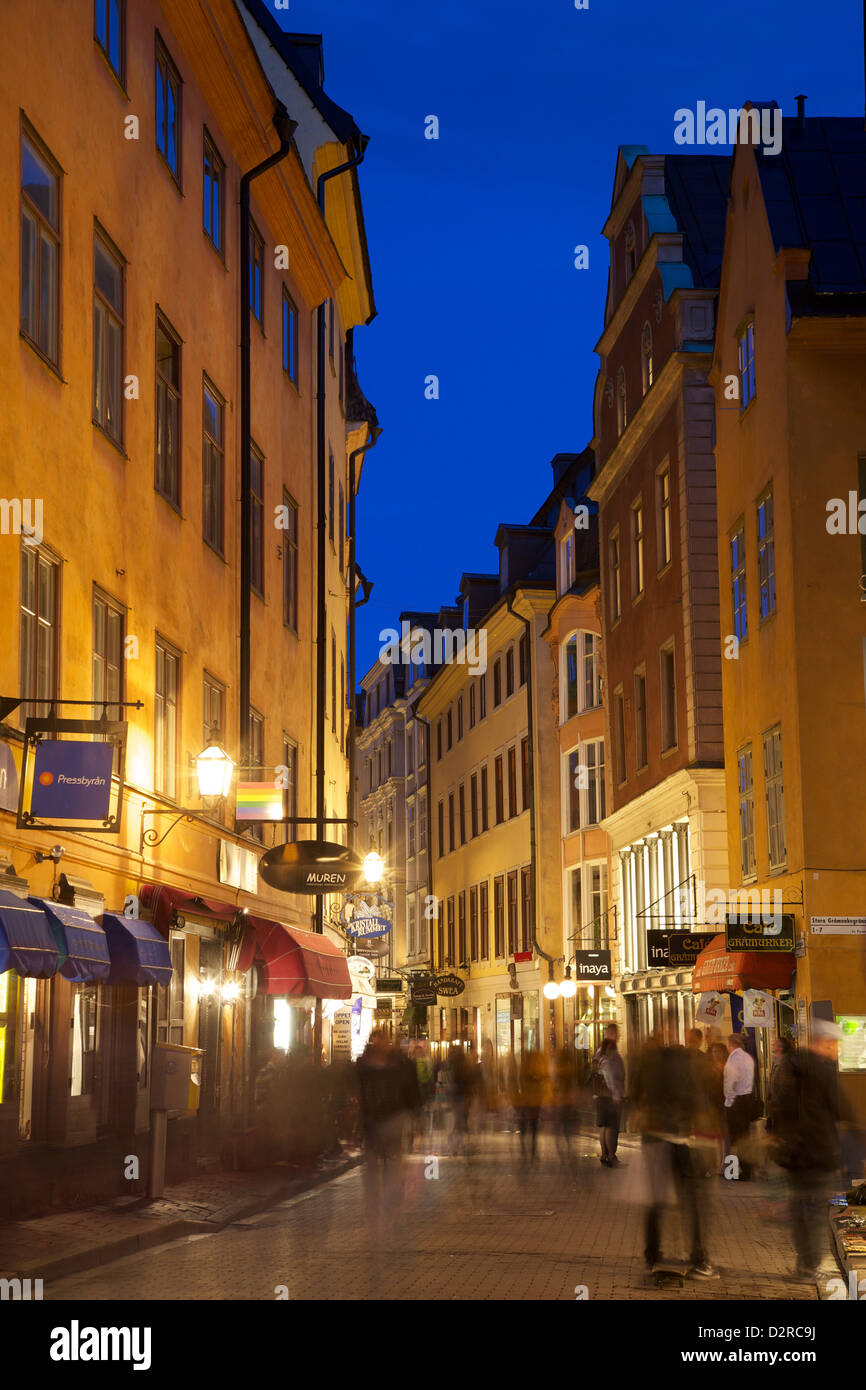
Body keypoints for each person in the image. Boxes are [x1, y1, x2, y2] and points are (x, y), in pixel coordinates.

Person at [631, 1032, 718, 1279]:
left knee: (656, 1200)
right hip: (680, 1141)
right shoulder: (683, 1069)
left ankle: (652, 1255)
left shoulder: (647, 1070)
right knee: (692, 1200)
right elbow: (695, 1102)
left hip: (654, 1140)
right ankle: (698, 1257)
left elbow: (636, 1101)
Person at [773, 1021, 846, 1280]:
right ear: (824, 1042)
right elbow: (840, 1110)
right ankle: (811, 1265)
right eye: (834, 1044)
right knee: (815, 1212)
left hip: (795, 1155)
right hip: (819, 1154)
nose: (836, 1050)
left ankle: (803, 1264)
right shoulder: (824, 1072)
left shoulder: (789, 1068)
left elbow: (779, 1105)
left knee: (799, 1210)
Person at [356, 1030, 419, 1229]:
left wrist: (414, 1115)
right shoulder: (364, 1066)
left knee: (393, 1167)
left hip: (394, 1119)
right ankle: (373, 1208)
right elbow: (358, 1092)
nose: (382, 1044)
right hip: (372, 1122)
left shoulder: (400, 1065)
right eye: (378, 1041)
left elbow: (411, 1091)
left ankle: (393, 1207)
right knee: (373, 1168)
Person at [723, 1033, 756, 1179]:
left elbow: (731, 1081)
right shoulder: (748, 1058)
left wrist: (729, 1100)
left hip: (737, 1101)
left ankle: (736, 1171)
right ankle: (747, 1169)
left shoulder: (734, 1058)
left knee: (736, 1138)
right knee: (744, 1136)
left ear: (731, 1044)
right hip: (747, 1099)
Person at [593, 1025, 625, 1166]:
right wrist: (616, 1096)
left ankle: (605, 1155)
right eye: (617, 1033)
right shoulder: (609, 1057)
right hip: (610, 1096)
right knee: (611, 1126)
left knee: (604, 1126)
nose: (619, 1036)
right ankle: (611, 1156)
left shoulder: (600, 1053)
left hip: (601, 1096)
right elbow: (611, 1077)